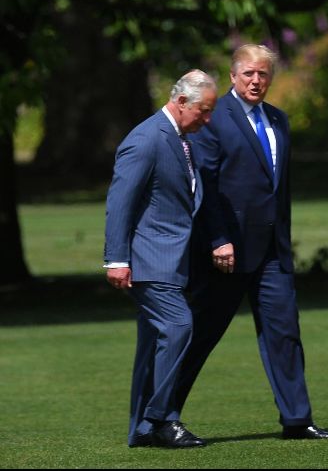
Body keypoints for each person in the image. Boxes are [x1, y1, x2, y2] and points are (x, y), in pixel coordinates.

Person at [175, 44, 328, 440]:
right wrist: (218, 239)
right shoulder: (214, 119)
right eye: (248, 73)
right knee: (199, 336)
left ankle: (297, 420)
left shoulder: (279, 121)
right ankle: (160, 417)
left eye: (263, 74)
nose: (256, 81)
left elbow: (276, 191)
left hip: (272, 254)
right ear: (233, 76)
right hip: (225, 254)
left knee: (285, 334)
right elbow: (207, 187)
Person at [103, 69, 218, 448]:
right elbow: (120, 201)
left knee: (155, 341)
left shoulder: (180, 137)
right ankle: (163, 419)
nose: (207, 119)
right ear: (181, 101)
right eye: (203, 110)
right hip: (149, 260)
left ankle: (142, 429)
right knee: (180, 325)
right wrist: (116, 259)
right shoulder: (147, 138)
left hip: (171, 259)